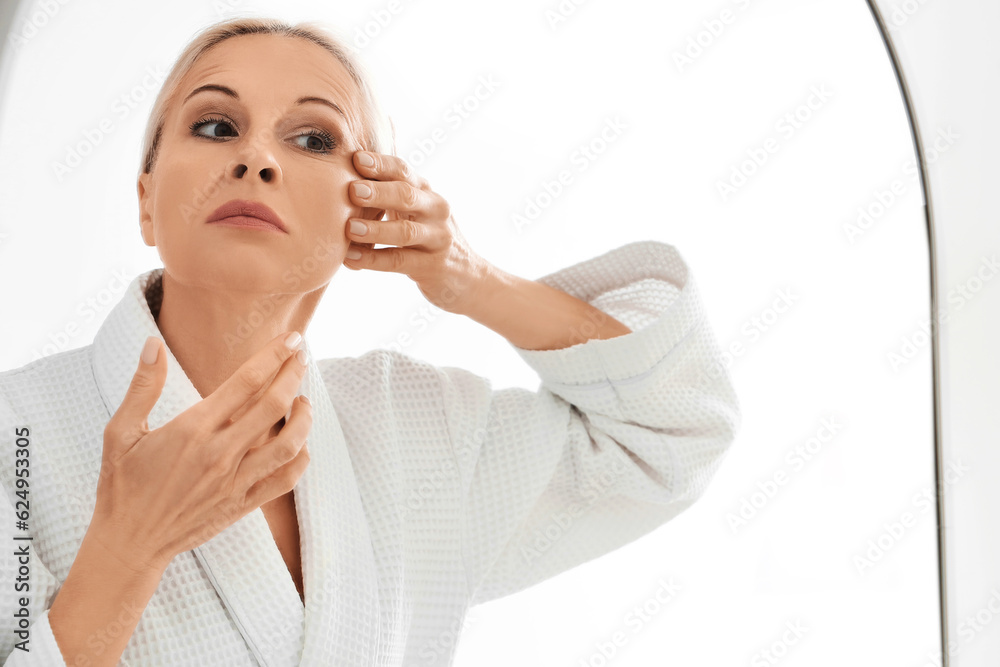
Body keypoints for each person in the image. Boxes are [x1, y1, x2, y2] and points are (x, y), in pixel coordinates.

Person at [0, 16, 740, 667]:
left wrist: (470, 278)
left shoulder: (413, 431)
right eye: (217, 126)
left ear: (366, 211)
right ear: (145, 202)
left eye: (314, 138)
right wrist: (128, 548)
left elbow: (676, 428)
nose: (256, 159)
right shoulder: (15, 436)